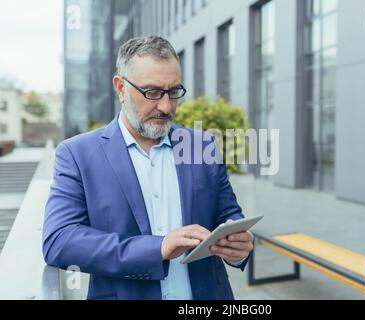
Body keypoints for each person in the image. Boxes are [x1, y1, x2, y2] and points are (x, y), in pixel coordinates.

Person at [43, 36, 254, 300]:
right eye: (152, 92)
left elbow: (229, 216)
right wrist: (157, 249)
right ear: (120, 88)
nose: (166, 106)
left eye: (174, 91)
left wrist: (240, 247)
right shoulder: (77, 154)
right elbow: (59, 241)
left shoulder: (203, 145)